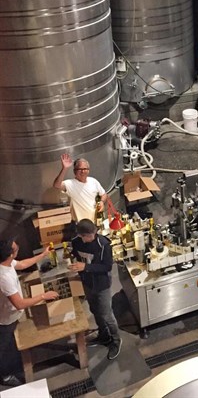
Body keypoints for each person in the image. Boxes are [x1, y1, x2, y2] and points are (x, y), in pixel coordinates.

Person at [0, 240, 59, 387]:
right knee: (5, 348)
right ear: (10, 254)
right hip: (5, 319)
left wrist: (43, 254)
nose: (18, 248)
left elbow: (22, 264)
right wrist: (43, 296)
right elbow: (19, 303)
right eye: (15, 247)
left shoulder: (6, 263)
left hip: (10, 314)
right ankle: (6, 376)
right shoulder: (4, 278)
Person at [69, 219, 122, 360]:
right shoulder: (76, 242)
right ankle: (103, 335)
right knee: (94, 310)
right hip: (87, 283)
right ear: (81, 235)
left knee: (107, 314)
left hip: (101, 284)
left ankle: (116, 340)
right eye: (89, 236)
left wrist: (85, 267)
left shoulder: (103, 245)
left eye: (93, 234)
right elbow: (74, 255)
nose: (92, 237)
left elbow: (107, 267)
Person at [53, 154, 108, 222]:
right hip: (80, 224)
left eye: (85, 169)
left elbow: (104, 194)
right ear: (74, 171)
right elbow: (56, 185)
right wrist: (64, 168)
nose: (83, 171)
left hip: (96, 221)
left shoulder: (93, 181)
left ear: (88, 170)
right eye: (80, 169)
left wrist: (102, 202)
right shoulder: (70, 184)